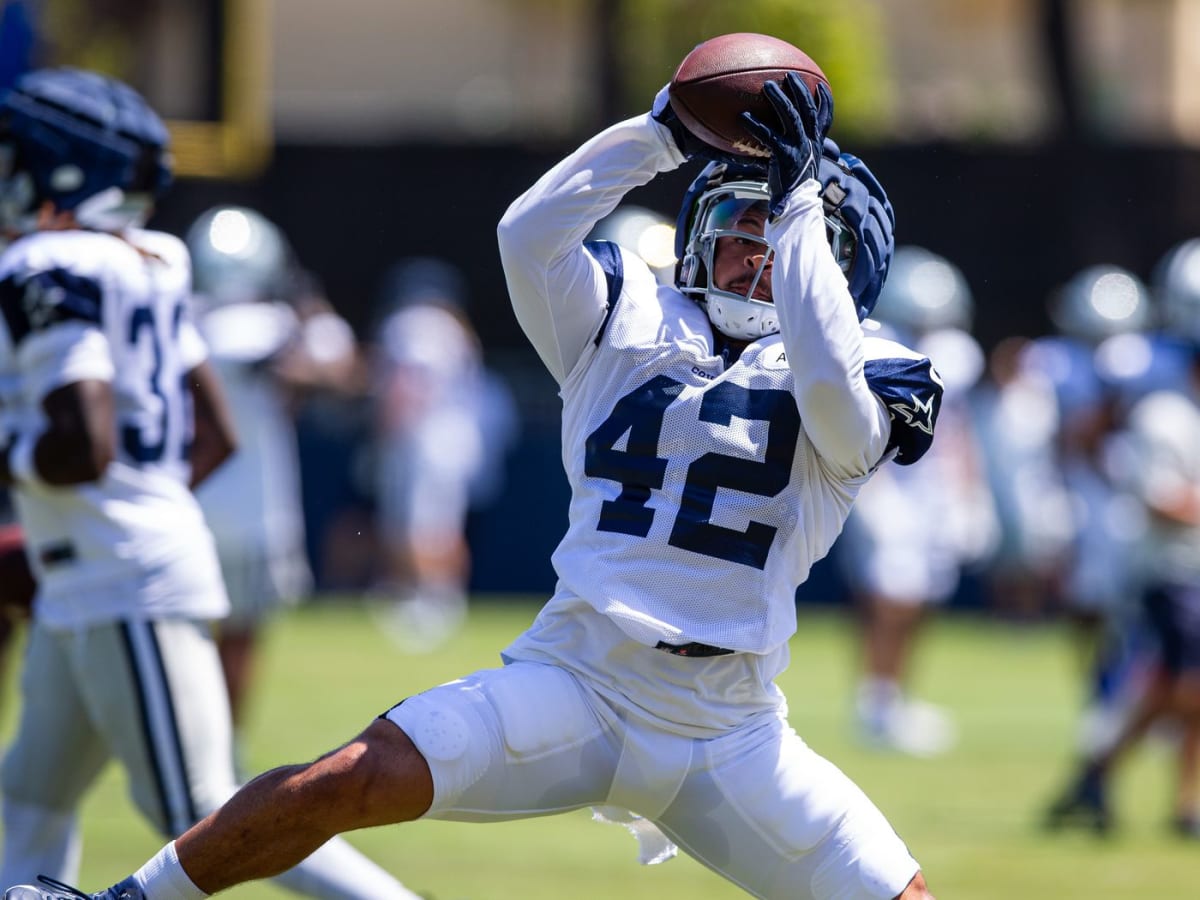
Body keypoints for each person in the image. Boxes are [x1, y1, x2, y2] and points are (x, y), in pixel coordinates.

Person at [8, 68, 940, 900]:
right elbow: (529, 232)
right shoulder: (628, 314)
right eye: (738, 227)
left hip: (733, 727)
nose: (754, 251)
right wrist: (657, 132)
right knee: (346, 776)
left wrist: (800, 207)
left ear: (834, 265)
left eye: (772, 231)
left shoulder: (880, 370)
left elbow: (826, 383)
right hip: (577, 676)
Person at [0, 67, 421, 899]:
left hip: (117, 577)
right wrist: (134, 514)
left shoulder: (47, 266)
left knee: (201, 806)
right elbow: (216, 432)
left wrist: (103, 515)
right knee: (28, 795)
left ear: (60, 168)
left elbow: (81, 445)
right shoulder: (153, 259)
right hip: (92, 572)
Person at [1045, 242, 1200, 838]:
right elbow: (1157, 497)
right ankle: (1145, 788)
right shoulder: (1160, 404)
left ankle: (1111, 778)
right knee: (1180, 686)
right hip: (1172, 565)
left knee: (1174, 688)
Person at [185, 205, 359, 732]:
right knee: (236, 641)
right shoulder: (266, 323)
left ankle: (203, 747)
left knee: (192, 642)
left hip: (195, 503)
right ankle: (216, 748)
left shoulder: (182, 314)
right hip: (248, 508)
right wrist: (309, 309)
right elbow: (339, 372)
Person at [837, 246, 996, 756]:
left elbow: (959, 430)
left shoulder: (957, 354)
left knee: (922, 597)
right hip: (888, 481)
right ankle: (875, 701)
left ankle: (896, 698)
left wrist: (970, 492)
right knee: (890, 596)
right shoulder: (875, 348)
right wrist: (870, 492)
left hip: (935, 489)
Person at [369, 258, 516, 651]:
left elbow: (403, 389)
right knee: (440, 524)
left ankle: (430, 602)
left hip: (423, 436)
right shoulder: (457, 331)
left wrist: (385, 437)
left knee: (419, 524)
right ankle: (441, 598)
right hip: (456, 438)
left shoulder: (412, 326)